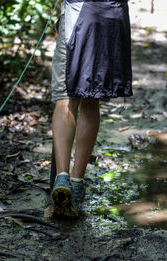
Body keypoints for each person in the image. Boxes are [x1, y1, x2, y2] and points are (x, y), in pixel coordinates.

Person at [51, 0, 132, 218]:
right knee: (90, 98)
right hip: (113, 17)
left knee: (66, 97)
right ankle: (77, 183)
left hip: (79, 14)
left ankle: (62, 178)